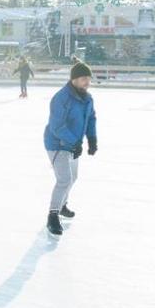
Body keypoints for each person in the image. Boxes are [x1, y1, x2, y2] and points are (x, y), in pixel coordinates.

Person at [43, 62, 98, 236]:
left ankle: (62, 205)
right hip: (57, 144)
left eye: (88, 79)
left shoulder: (87, 98)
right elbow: (57, 126)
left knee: (73, 177)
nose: (87, 82)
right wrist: (75, 143)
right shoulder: (61, 98)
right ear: (74, 79)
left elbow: (91, 119)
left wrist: (92, 138)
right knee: (64, 179)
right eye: (83, 79)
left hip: (74, 144)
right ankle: (52, 216)